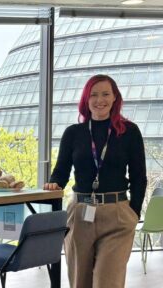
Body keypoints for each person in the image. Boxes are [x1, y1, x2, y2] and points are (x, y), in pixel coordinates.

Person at [44, 74, 147, 288]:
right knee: (79, 282)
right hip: (80, 213)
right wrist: (54, 183)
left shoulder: (129, 132)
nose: (100, 100)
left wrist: (133, 213)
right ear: (86, 100)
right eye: (94, 95)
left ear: (115, 98)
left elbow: (139, 177)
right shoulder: (73, 133)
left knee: (107, 282)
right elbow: (61, 171)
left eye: (106, 94)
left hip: (117, 215)